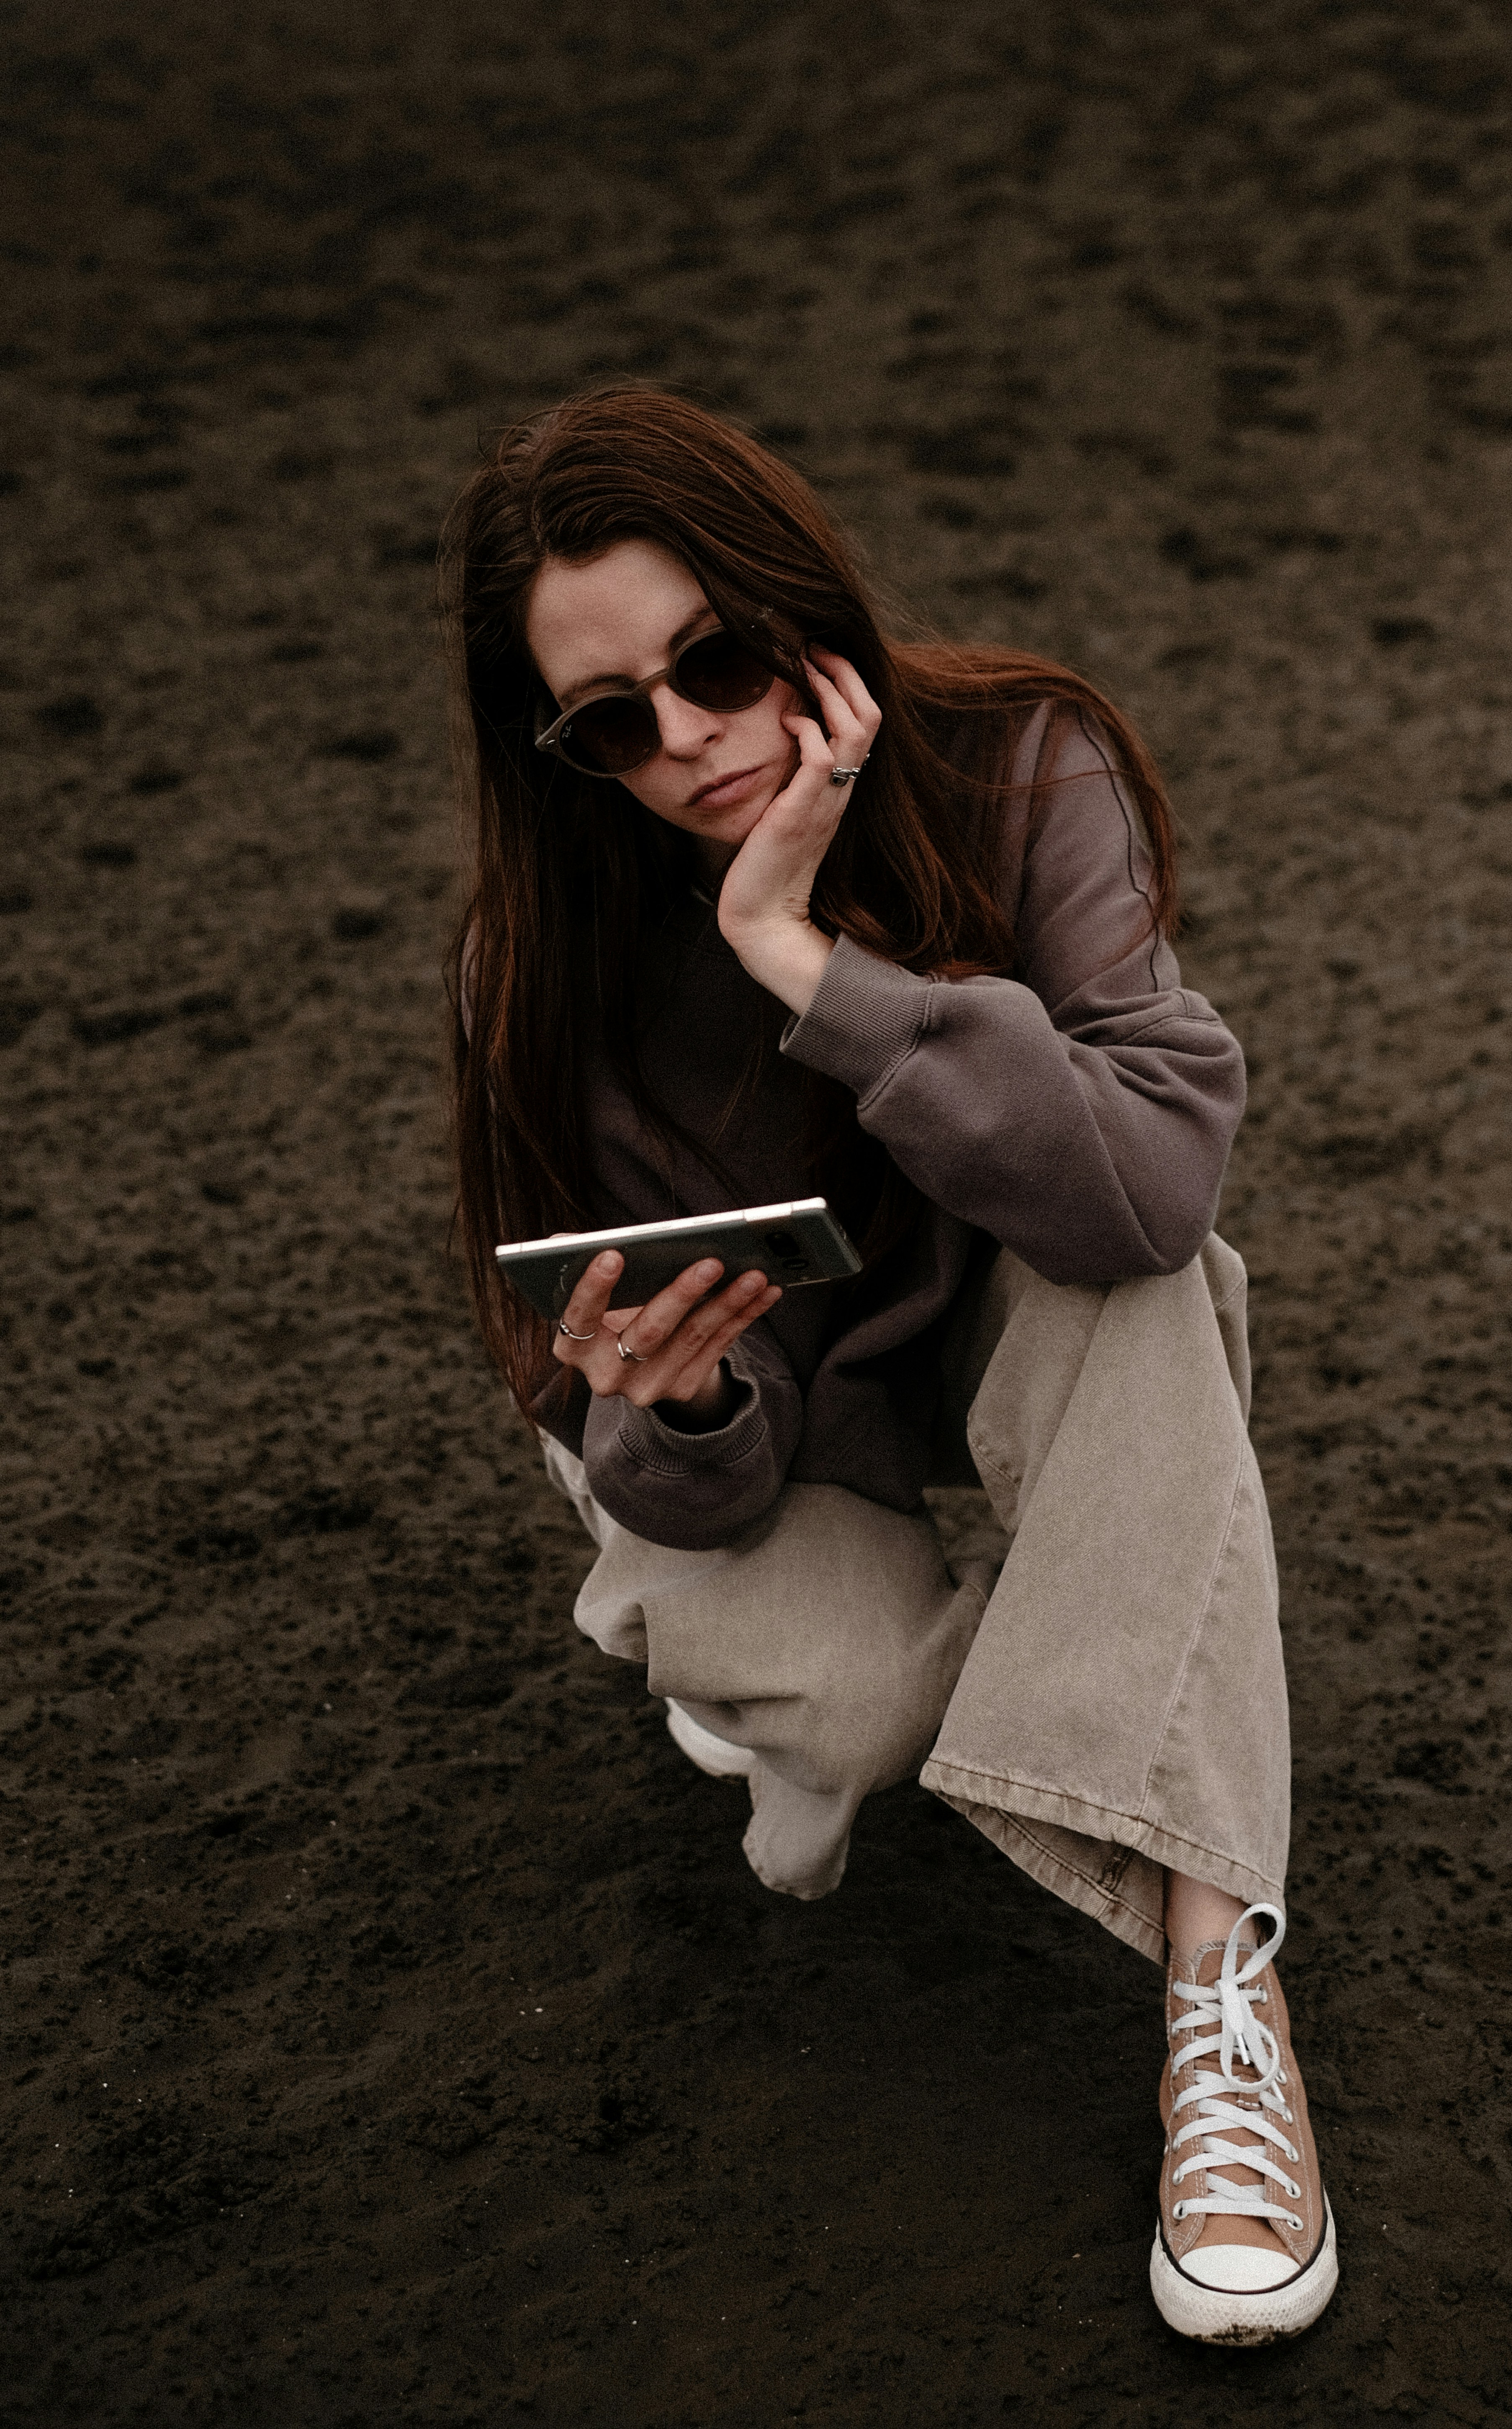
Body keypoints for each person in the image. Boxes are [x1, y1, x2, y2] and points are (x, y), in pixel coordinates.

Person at [444, 386, 1337, 2345]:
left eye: (716, 661)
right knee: (856, 1724)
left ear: (790, 604)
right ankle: (1009, 1622)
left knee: (1148, 1284)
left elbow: (1147, 1186)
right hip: (773, 1416)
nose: (680, 739)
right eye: (610, 719)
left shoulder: (1024, 762)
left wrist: (797, 955)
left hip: (1036, 1302)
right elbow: (603, 1380)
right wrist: (664, 1412)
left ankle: (1219, 1989)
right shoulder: (546, 951)